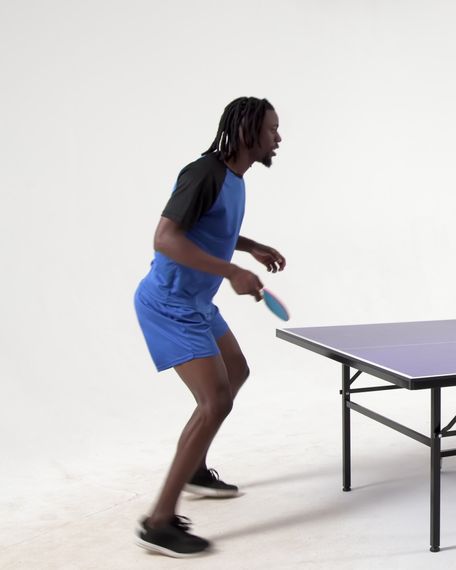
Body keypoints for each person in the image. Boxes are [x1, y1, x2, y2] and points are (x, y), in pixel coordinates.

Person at [133, 97, 285, 557]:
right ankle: (158, 522)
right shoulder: (204, 173)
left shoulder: (235, 178)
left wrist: (250, 246)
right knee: (215, 400)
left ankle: (194, 468)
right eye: (272, 130)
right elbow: (166, 236)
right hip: (169, 304)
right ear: (247, 133)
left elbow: (210, 227)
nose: (278, 138)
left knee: (235, 371)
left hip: (197, 301)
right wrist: (231, 272)